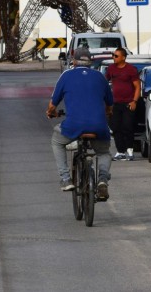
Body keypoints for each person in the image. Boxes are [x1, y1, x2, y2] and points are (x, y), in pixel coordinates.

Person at [46, 59, 113, 200]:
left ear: (74, 62)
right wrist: (107, 113)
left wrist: (51, 112)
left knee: (57, 142)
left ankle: (66, 178)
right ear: (90, 63)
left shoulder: (66, 75)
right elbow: (109, 104)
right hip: (98, 126)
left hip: (73, 125)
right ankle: (102, 180)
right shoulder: (100, 76)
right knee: (103, 152)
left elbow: (52, 105)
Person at [105, 47, 141, 160]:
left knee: (127, 127)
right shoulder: (111, 68)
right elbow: (104, 82)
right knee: (116, 127)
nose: (114, 57)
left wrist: (134, 101)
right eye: (113, 55)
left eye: (116, 56)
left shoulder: (131, 69)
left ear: (123, 57)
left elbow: (137, 86)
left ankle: (130, 151)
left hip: (128, 103)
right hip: (115, 104)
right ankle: (120, 151)